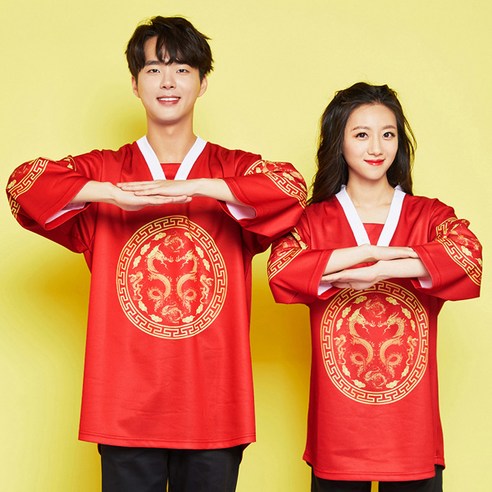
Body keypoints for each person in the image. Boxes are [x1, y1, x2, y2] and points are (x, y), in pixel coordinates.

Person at [6, 16, 307, 492]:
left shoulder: (232, 169)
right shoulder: (106, 170)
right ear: (135, 83)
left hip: (213, 406)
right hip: (124, 408)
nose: (168, 82)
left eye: (182, 69)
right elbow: (23, 184)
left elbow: (292, 189)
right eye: (154, 69)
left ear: (202, 83)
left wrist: (200, 187)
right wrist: (111, 193)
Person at [268, 82, 482, 491]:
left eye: (388, 134)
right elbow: (282, 270)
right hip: (339, 428)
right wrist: (370, 254)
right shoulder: (314, 221)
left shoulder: (428, 215)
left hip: (411, 429)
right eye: (361, 134)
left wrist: (378, 265)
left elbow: (468, 256)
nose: (376, 147)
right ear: (339, 141)